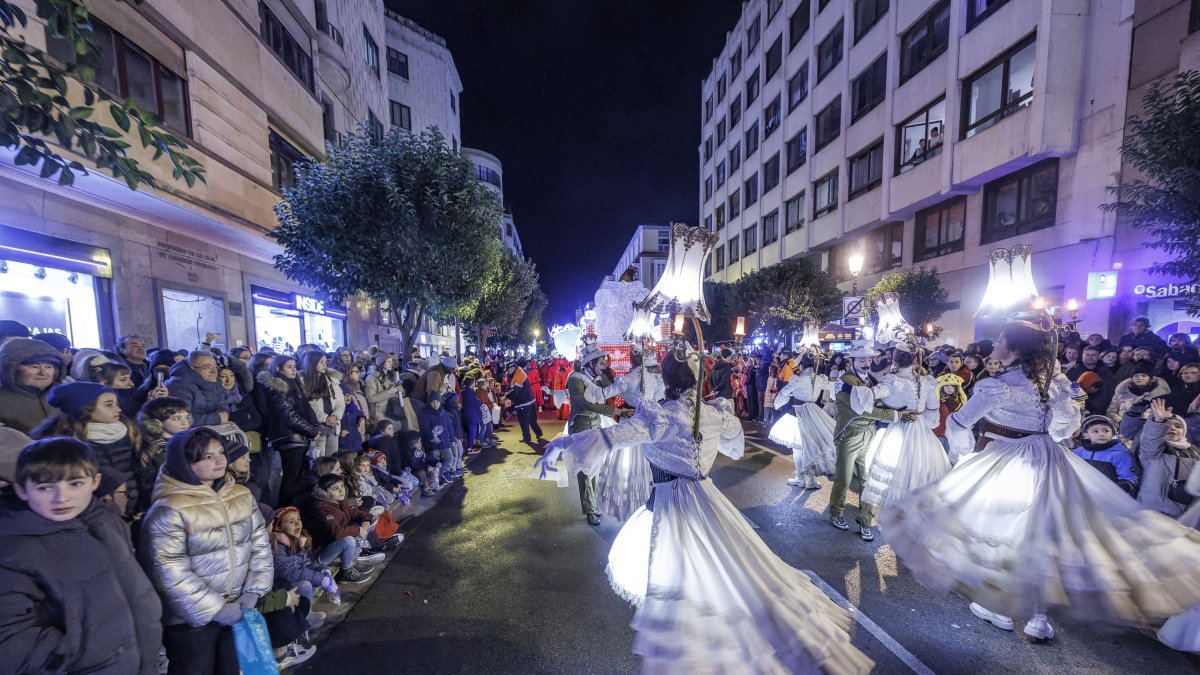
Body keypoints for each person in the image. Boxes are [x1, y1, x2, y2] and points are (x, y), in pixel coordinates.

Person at [539, 344, 873, 674]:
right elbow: (734, 437)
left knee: (681, 591)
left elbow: (610, 438)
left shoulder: (659, 415)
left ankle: (696, 656)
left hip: (669, 509)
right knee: (722, 578)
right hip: (707, 500)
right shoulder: (714, 414)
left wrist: (561, 445)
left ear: (666, 377)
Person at [880, 321, 1200, 642]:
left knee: (1004, 534)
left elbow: (961, 422)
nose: (994, 346)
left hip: (1007, 459)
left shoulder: (998, 386)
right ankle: (1037, 617)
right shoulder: (1055, 383)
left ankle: (1003, 609)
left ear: (1015, 348)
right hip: (1049, 457)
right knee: (1044, 536)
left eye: (1001, 340)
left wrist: (967, 453)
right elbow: (1064, 428)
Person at [0, 437, 163, 674]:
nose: (61, 498)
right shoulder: (13, 549)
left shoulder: (106, 520)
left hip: (139, 660)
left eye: (75, 484)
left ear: (94, 481)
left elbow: (133, 587)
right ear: (21, 489)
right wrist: (85, 653)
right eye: (45, 487)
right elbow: (10, 639)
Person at [140, 427, 273, 675]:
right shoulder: (169, 509)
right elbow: (168, 572)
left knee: (232, 668)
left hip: (238, 607)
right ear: (184, 462)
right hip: (190, 622)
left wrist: (255, 590)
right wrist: (216, 609)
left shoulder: (241, 495)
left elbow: (259, 543)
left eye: (221, 452)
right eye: (207, 456)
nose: (220, 460)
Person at [829, 341, 915, 542]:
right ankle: (836, 512)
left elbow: (880, 400)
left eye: (869, 359)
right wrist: (897, 415)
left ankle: (865, 520)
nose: (866, 363)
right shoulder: (847, 381)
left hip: (869, 433)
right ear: (852, 361)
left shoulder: (869, 382)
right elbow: (865, 409)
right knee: (844, 478)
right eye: (862, 360)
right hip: (849, 434)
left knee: (868, 479)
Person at [858, 344, 949, 512]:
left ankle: (894, 513)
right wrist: (928, 424)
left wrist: (861, 392)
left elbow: (870, 397)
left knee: (896, 470)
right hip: (921, 429)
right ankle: (914, 511)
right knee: (919, 468)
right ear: (915, 359)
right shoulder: (925, 380)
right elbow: (932, 406)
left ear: (894, 360)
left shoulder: (894, 380)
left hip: (900, 427)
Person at [32, 381, 142, 518]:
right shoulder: (62, 443)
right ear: (85, 408)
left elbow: (143, 472)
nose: (118, 409)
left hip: (136, 510)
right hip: (98, 515)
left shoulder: (131, 431)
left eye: (116, 404)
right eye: (109, 405)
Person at [566, 345, 630, 526]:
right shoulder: (575, 380)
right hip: (581, 428)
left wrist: (614, 376)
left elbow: (614, 390)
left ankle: (592, 505)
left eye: (604, 363)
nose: (604, 366)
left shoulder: (598, 377)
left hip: (596, 426)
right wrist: (616, 410)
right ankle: (590, 510)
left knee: (596, 469)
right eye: (601, 363)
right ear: (590, 363)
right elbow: (587, 404)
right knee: (586, 471)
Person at [595, 347, 661, 520]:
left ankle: (624, 504)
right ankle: (645, 502)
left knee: (625, 463)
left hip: (629, 422)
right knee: (643, 464)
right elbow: (658, 399)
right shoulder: (653, 379)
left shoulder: (627, 379)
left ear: (632, 359)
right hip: (645, 426)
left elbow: (605, 394)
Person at [258, 355, 322, 508]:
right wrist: (312, 431)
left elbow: (306, 409)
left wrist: (314, 427)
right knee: (289, 480)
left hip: (300, 438)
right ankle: (284, 511)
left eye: (294, 366)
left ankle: (295, 509)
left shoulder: (294, 385)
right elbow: (289, 416)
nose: (294, 370)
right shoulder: (278, 389)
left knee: (297, 479)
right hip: (289, 439)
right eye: (289, 367)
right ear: (279, 369)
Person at [769, 353, 836, 490]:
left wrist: (777, 403)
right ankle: (810, 480)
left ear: (802, 365)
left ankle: (800, 479)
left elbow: (784, 393)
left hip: (798, 413)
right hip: (814, 413)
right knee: (811, 447)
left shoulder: (797, 379)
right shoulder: (819, 379)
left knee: (798, 448)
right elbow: (833, 386)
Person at [1138, 398, 1199, 517]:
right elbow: (1150, 440)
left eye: (1178, 426)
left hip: (1185, 513)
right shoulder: (1155, 450)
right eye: (1168, 425)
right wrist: (1159, 422)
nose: (1173, 428)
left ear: (1184, 431)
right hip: (1154, 511)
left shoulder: (1195, 452)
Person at [0, 337, 63, 433]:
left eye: (49, 367)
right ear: (11, 369)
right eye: (34, 367)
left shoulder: (64, 397)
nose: (43, 372)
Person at [1072, 415, 1137, 494]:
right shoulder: (1077, 453)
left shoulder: (1119, 455)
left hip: (1109, 497)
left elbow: (1129, 477)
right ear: (1086, 435)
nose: (1102, 434)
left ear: (1112, 434)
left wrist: (1122, 488)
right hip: (1082, 495)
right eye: (1095, 431)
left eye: (1106, 431)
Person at [163, 351, 230, 428]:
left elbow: (223, 408)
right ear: (193, 369)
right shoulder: (178, 385)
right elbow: (183, 419)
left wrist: (221, 416)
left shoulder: (215, 381)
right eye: (207, 367)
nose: (214, 371)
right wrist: (215, 418)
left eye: (215, 366)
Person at [300, 351, 345, 457]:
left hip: (333, 426)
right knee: (318, 462)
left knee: (332, 460)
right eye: (321, 362)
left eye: (325, 362)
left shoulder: (332, 381)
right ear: (312, 363)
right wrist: (325, 418)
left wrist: (335, 416)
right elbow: (309, 406)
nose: (325, 365)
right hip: (316, 428)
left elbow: (340, 402)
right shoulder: (303, 382)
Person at [1066, 345, 1117, 415]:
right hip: (1078, 411)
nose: (1090, 357)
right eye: (1087, 354)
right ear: (1082, 355)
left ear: (1098, 357)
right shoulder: (1072, 372)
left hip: (1101, 410)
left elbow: (1110, 392)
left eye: (1093, 355)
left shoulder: (1106, 373)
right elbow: (1069, 392)